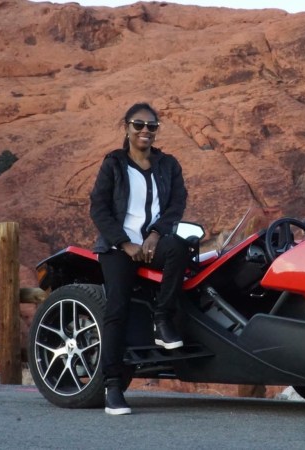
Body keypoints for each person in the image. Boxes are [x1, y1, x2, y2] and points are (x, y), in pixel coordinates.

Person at [89, 102, 190, 415]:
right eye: (138, 125)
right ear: (127, 128)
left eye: (152, 126)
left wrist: (156, 235)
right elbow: (99, 208)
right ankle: (113, 388)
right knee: (117, 310)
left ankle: (162, 319)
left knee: (179, 248)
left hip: (152, 244)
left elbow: (176, 204)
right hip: (119, 249)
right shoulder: (114, 164)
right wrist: (123, 243)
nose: (145, 130)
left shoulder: (168, 165)